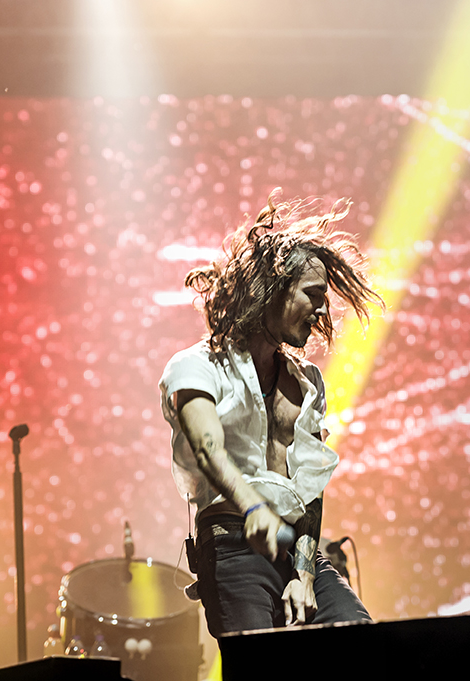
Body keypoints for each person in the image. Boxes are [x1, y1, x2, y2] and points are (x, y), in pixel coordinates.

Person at [159, 189, 382, 636]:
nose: (322, 309)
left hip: (296, 552)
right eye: (313, 294)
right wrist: (252, 506)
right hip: (232, 543)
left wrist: (304, 573)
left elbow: (311, 486)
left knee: (361, 639)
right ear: (274, 289)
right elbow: (207, 448)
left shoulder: (308, 382)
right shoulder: (195, 366)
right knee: (262, 662)